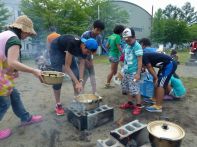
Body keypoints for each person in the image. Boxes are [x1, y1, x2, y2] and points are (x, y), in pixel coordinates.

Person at [0, 15, 43, 140]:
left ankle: (26, 118)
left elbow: (6, 58)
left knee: (14, 94)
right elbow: (13, 61)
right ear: (24, 30)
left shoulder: (6, 34)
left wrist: (11, 71)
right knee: (3, 103)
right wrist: (34, 70)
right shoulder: (14, 39)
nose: (27, 36)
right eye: (28, 34)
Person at [49, 35, 98, 116]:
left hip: (67, 51)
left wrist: (81, 80)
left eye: (89, 53)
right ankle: (58, 104)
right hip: (56, 48)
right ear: (83, 46)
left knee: (77, 76)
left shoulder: (86, 49)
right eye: (88, 52)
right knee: (57, 78)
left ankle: (77, 99)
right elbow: (67, 67)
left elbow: (82, 64)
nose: (88, 54)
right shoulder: (73, 44)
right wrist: (77, 82)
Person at [119, 28, 143, 115]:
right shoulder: (127, 45)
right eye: (125, 40)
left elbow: (140, 60)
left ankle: (139, 105)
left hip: (133, 73)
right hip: (126, 71)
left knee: (135, 89)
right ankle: (129, 103)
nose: (127, 42)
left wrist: (138, 73)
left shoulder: (137, 46)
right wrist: (122, 70)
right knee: (127, 88)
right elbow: (125, 58)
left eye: (129, 40)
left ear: (134, 37)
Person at [81, 20, 105, 94]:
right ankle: (81, 91)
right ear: (93, 28)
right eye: (97, 30)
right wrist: (86, 61)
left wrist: (91, 60)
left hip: (89, 58)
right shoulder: (85, 35)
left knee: (92, 75)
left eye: (100, 31)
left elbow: (94, 51)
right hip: (81, 58)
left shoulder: (99, 37)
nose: (98, 32)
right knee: (85, 75)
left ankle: (94, 92)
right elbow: (81, 49)